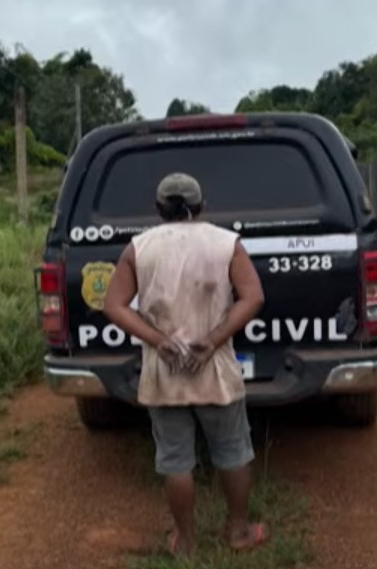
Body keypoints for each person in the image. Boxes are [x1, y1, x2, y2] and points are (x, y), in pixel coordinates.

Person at [103, 172, 268, 557]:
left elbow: (113, 305)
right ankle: (240, 531)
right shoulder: (226, 243)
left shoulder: (139, 248)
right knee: (232, 450)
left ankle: (185, 541)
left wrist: (159, 341)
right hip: (214, 367)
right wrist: (212, 340)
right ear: (201, 207)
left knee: (175, 459)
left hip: (165, 372)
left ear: (159, 209)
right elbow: (253, 297)